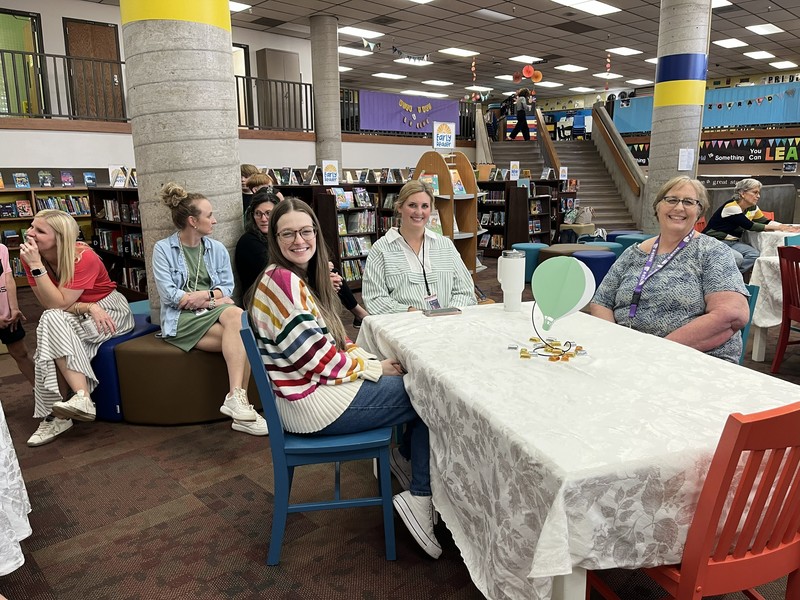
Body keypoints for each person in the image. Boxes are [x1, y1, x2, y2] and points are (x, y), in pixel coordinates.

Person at [248, 198, 442, 559]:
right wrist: (373, 367)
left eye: (306, 231)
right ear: (275, 238)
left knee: (410, 379)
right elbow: (316, 359)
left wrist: (365, 359)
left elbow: (330, 343)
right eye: (287, 233)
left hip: (303, 395)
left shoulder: (285, 278)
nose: (299, 240)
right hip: (310, 404)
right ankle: (419, 497)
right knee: (428, 392)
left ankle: (404, 458)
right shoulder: (284, 283)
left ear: (316, 235)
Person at [590, 176, 750, 363]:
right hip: (628, 356)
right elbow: (601, 302)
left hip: (693, 360)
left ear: (699, 211)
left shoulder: (712, 252)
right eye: (671, 199)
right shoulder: (633, 253)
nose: (679, 207)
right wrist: (615, 344)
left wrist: (655, 353)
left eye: (689, 202)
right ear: (658, 207)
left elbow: (731, 315)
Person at [152, 182, 267, 436]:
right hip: (180, 320)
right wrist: (214, 299)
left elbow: (227, 286)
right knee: (242, 330)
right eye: (209, 215)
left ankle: (238, 402)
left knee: (238, 323)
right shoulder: (163, 249)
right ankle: (241, 407)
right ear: (193, 221)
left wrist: (205, 297)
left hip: (209, 312)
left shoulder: (215, 248)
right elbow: (172, 297)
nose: (214, 221)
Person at [18, 210, 134, 446]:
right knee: (50, 321)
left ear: (60, 238)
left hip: (108, 311)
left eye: (40, 231)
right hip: (77, 311)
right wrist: (84, 307)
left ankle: (55, 415)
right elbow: (49, 303)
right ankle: (81, 398)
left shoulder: (83, 257)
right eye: (31, 227)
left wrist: (37, 267)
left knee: (49, 327)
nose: (30, 233)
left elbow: (58, 303)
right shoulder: (30, 257)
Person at [235, 190, 369, 326]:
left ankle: (359, 313)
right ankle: (359, 313)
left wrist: (322, 276)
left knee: (331, 272)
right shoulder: (251, 245)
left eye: (306, 231)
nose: (263, 219)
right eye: (287, 234)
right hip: (273, 301)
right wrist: (321, 283)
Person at [361, 179, 476, 314]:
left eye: (425, 206)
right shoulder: (381, 249)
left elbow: (466, 292)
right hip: (404, 329)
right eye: (412, 205)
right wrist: (411, 313)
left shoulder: (445, 246)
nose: (419, 212)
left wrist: (447, 314)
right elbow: (374, 298)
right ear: (399, 207)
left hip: (447, 326)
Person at [703, 178, 800, 273]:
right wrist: (779, 228)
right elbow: (750, 226)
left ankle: (734, 277)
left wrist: (786, 227)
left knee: (754, 255)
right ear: (742, 193)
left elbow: (765, 221)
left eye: (758, 193)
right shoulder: (732, 207)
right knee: (738, 258)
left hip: (733, 242)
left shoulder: (752, 208)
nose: (758, 196)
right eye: (755, 192)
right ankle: (721, 277)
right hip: (715, 240)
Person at [0, 243, 35, 386]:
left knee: (20, 353)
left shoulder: (1, 248)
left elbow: (8, 279)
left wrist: (14, 308)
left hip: (7, 315)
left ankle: (41, 392)